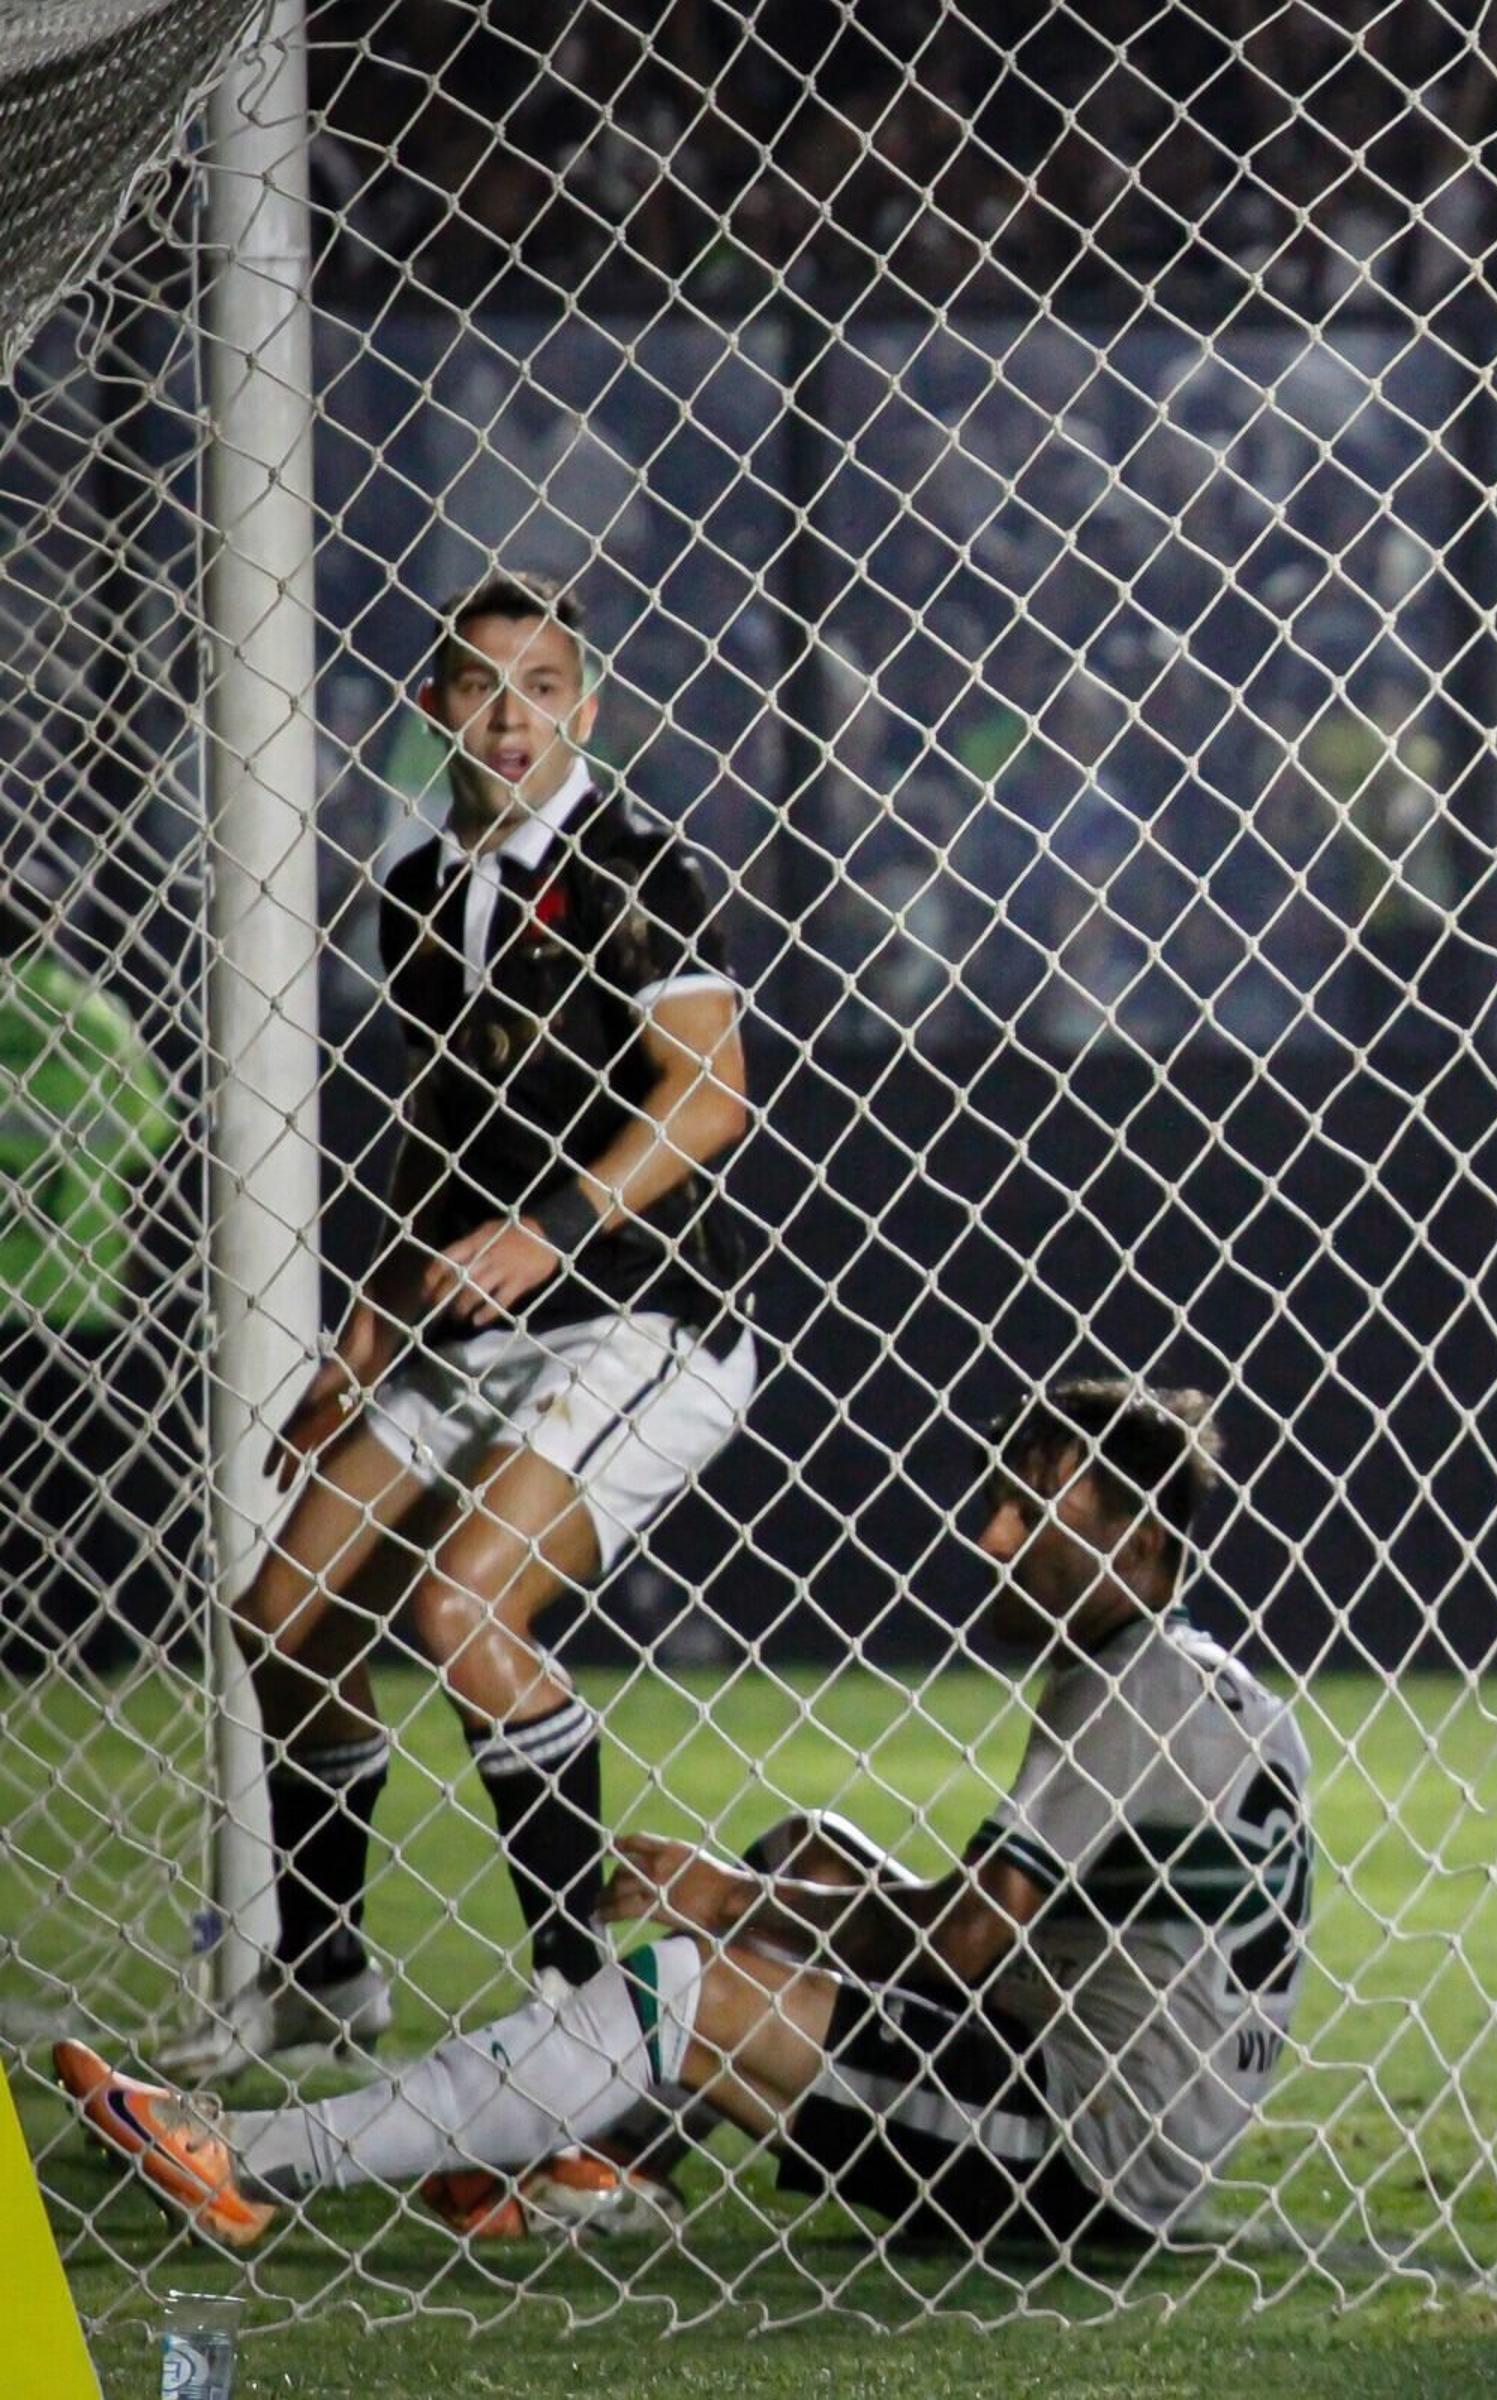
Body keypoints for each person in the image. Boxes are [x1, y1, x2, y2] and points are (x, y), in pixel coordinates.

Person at [64, 1377, 1311, 2254]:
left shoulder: (1136, 1693)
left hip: (1089, 2151)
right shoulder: (1188, 1674)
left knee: (694, 1983)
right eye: (996, 1496)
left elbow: (964, 1941)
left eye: (1031, 1513)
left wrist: (726, 1900)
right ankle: (598, 2155)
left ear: (1141, 1540)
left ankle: (253, 2153)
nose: (987, 1533)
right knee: (807, 1848)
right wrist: (766, 1884)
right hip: (1125, 2082)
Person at [170, 572, 761, 2076]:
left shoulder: (640, 869)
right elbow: (438, 1137)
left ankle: (594, 2037)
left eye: (545, 686)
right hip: (463, 1325)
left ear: (589, 708)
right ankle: (326, 1976)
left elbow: (711, 1095)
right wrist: (372, 1318)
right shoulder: (420, 888)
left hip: (638, 1320)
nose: (514, 716)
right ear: (435, 707)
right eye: (484, 686)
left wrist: (552, 1232)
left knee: (464, 1612)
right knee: (281, 1622)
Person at [0, 859, 179, 1675]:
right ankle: (98, 1643)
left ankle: (19, 1639)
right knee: (91, 1484)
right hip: (86, 1285)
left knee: (13, 1485)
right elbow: (149, 1146)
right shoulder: (96, 1020)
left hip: (7, 1285)